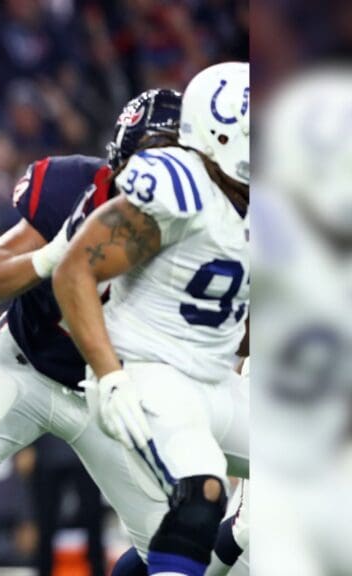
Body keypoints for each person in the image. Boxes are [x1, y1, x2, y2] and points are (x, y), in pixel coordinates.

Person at [0, 88, 185, 576]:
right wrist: (52, 256)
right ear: (122, 153)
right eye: (152, 153)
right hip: (25, 366)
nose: (160, 173)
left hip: (109, 393)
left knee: (176, 547)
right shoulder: (73, 188)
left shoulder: (201, 232)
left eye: (175, 157)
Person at [52, 62, 249, 576]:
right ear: (221, 132)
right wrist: (111, 375)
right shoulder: (176, 184)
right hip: (148, 371)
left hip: (213, 377)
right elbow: (74, 270)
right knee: (202, 491)